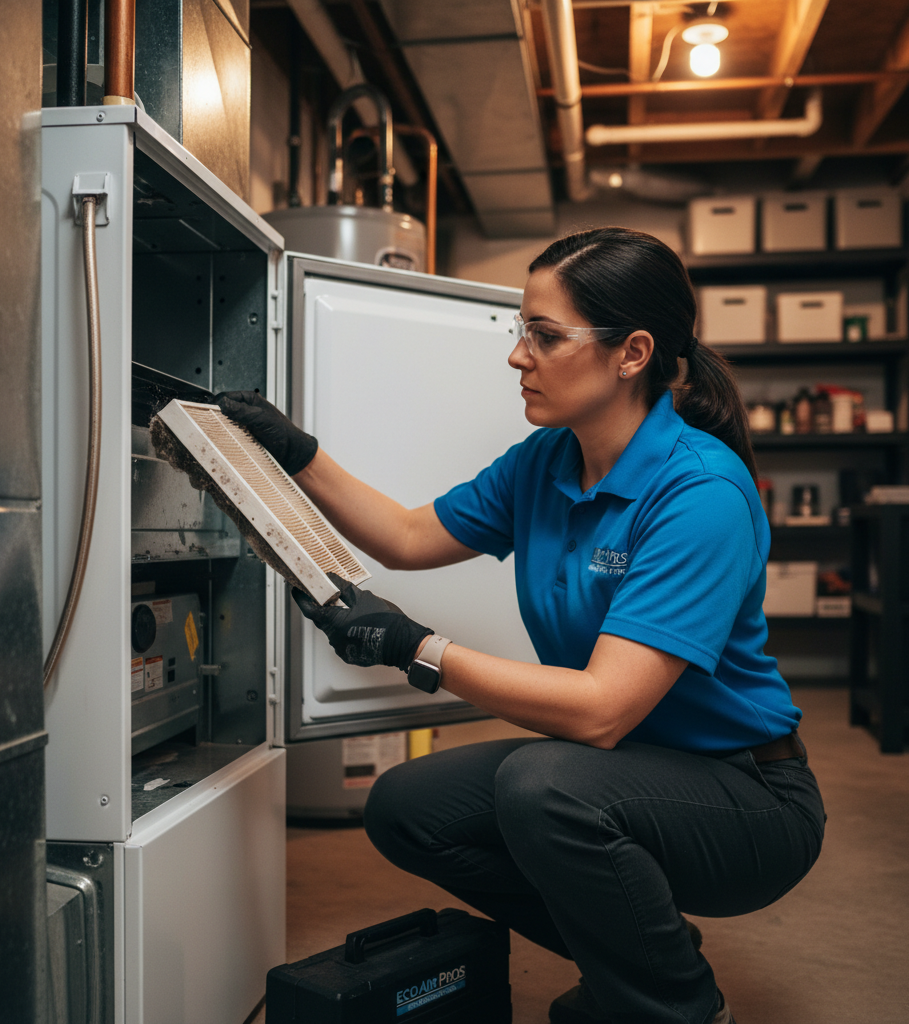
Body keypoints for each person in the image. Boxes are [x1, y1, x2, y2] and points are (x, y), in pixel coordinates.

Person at [218, 227, 826, 1024]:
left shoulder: (700, 493)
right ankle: (643, 951)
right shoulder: (546, 462)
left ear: (632, 352)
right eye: (521, 331)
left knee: (542, 785)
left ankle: (677, 1004)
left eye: (544, 335)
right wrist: (293, 452)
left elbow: (603, 710)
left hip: (747, 798)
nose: (518, 356)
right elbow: (406, 536)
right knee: (407, 808)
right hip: (629, 768)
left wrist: (418, 650)